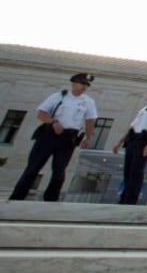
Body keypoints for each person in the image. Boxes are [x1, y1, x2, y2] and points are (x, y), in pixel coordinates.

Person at [9, 73, 98, 201]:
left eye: (87, 85)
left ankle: (50, 199)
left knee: (59, 171)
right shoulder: (58, 97)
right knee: (33, 168)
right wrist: (53, 122)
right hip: (49, 135)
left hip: (69, 138)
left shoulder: (88, 102)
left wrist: (89, 138)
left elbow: (90, 121)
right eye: (82, 84)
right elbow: (41, 114)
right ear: (74, 83)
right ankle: (17, 198)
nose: (84, 87)